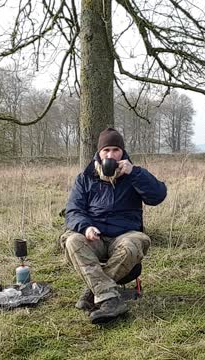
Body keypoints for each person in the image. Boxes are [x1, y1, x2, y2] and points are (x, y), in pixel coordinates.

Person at [60, 128, 167, 324]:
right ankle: (109, 299)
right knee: (73, 240)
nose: (110, 155)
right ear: (99, 154)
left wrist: (135, 173)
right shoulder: (86, 178)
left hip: (125, 235)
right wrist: (85, 228)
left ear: (122, 153)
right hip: (95, 236)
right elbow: (73, 210)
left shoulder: (133, 174)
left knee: (136, 243)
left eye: (115, 150)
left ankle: (95, 292)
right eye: (106, 150)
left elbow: (158, 196)